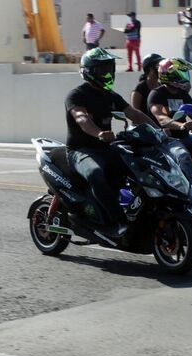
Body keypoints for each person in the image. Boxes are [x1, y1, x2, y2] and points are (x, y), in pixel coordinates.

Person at [65, 47, 156, 237]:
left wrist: (159, 131)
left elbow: (135, 114)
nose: (109, 73)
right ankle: (117, 221)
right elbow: (82, 119)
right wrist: (98, 133)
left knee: (141, 166)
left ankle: (143, 210)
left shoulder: (111, 96)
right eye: (103, 69)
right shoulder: (76, 95)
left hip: (106, 148)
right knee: (96, 173)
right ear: (90, 72)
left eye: (110, 68)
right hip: (81, 151)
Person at [148, 57, 192, 191]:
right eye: (181, 73)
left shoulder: (184, 95)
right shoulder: (156, 94)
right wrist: (180, 125)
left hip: (185, 138)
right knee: (183, 156)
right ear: (170, 75)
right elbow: (161, 118)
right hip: (166, 140)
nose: (185, 76)